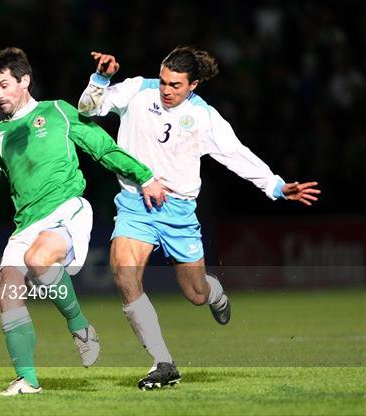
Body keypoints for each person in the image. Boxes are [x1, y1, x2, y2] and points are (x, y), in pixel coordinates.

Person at [78, 46, 321, 390]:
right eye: (163, 81)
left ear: (193, 86)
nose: (166, 90)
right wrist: (101, 78)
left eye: (175, 85)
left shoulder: (205, 117)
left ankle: (215, 293)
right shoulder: (136, 90)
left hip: (178, 211)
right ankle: (163, 362)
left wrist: (277, 186)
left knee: (195, 293)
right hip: (136, 204)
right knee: (124, 275)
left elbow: (236, 155)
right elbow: (88, 109)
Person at [0, 47, 166, 396]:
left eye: (3, 85)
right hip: (26, 223)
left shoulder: (57, 111)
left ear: (24, 81)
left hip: (66, 209)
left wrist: (144, 176)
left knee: (38, 259)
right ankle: (27, 380)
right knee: (8, 290)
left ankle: (80, 326)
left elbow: (103, 148)